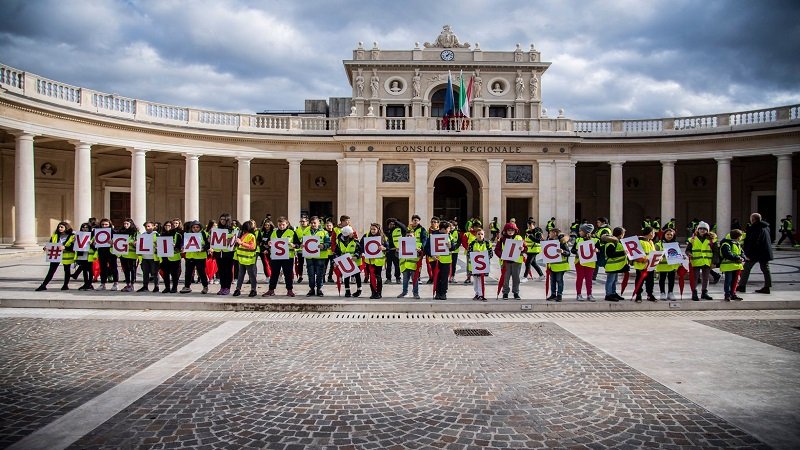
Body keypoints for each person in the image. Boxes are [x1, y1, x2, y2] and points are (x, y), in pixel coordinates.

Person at [737, 213, 773, 294]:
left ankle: (742, 286)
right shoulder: (766, 227)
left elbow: (752, 242)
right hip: (765, 252)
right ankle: (767, 287)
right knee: (766, 269)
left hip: (755, 253)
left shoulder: (755, 228)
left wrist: (747, 253)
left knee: (746, 268)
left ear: (753, 219)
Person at [264, 216, 299, 297]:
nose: (281, 226)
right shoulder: (273, 232)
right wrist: (269, 244)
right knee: (274, 273)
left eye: (283, 224)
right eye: (280, 225)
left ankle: (289, 290)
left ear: (287, 224)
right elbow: (268, 243)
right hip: (276, 256)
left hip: (288, 257)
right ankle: (271, 290)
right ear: (277, 224)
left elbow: (298, 244)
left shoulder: (292, 232)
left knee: (288, 274)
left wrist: (293, 245)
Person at [36, 221, 75, 291]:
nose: (60, 228)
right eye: (59, 227)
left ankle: (65, 285)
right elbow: (51, 243)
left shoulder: (72, 236)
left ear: (66, 228)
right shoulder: (55, 235)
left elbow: (73, 247)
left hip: (66, 255)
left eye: (61, 227)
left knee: (67, 270)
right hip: (55, 254)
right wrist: (46, 247)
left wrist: (65, 247)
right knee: (51, 270)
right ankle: (43, 285)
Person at [685, 221, 716, 300]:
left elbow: (715, 252)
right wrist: (689, 253)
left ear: (707, 230)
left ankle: (704, 293)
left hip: (706, 261)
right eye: (700, 229)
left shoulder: (711, 240)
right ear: (697, 230)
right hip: (696, 261)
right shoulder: (692, 239)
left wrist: (714, 262)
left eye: (704, 229)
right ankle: (694, 293)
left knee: (706, 278)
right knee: (695, 278)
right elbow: (688, 250)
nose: (702, 230)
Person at [496, 222, 524, 300]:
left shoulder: (519, 238)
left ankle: (516, 293)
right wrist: (502, 256)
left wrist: (522, 249)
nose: (510, 232)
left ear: (515, 231)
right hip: (506, 262)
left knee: (516, 279)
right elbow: (497, 250)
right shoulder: (502, 239)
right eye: (509, 230)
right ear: (505, 231)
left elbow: (525, 247)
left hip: (516, 262)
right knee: (505, 278)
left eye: (512, 230)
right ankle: (505, 293)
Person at [181, 220, 210, 294]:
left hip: (200, 256)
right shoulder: (187, 234)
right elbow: (183, 244)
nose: (195, 229)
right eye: (193, 227)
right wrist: (183, 247)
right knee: (188, 272)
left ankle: (205, 286)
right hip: (190, 256)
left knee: (201, 272)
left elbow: (208, 244)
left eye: (197, 227)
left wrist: (203, 248)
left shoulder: (204, 234)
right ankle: (187, 286)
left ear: (200, 227)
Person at [429, 221, 455, 300]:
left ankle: (443, 293)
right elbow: (427, 247)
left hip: (446, 261)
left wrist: (451, 246)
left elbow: (454, 246)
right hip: (435, 260)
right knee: (437, 277)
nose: (449, 230)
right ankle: (437, 293)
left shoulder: (449, 236)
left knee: (444, 278)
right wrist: (431, 255)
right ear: (443, 229)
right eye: (448, 228)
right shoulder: (433, 235)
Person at [305, 216, 330, 297]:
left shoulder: (324, 232)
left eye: (314, 223)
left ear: (318, 223)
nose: (313, 224)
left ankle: (319, 289)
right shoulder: (306, 231)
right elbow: (302, 241)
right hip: (309, 256)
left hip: (320, 257)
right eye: (311, 223)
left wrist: (323, 245)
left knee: (320, 274)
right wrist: (302, 245)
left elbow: (328, 243)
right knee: (311, 274)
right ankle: (311, 289)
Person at [232, 220, 258, 297]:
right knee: (240, 275)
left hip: (249, 259)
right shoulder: (241, 235)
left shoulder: (251, 236)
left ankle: (253, 289)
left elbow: (252, 247)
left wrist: (241, 243)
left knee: (251, 275)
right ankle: (238, 289)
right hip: (241, 258)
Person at [572, 223, 597, 301]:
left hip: (590, 263)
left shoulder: (595, 240)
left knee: (589, 279)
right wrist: (576, 251)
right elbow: (572, 250)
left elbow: (601, 251)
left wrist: (597, 250)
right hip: (579, 262)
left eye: (581, 231)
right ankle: (578, 294)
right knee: (579, 279)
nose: (579, 232)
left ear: (586, 232)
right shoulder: (578, 239)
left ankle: (589, 294)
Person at [335, 225, 362, 298]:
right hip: (345, 261)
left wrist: (356, 256)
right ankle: (347, 291)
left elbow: (359, 250)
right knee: (346, 277)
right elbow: (336, 252)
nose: (353, 234)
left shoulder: (355, 241)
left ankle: (359, 290)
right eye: (351, 233)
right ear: (348, 234)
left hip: (355, 262)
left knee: (357, 276)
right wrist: (336, 261)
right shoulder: (339, 242)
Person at [362, 223, 387, 299]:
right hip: (369, 261)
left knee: (378, 277)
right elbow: (361, 245)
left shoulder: (383, 237)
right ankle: (373, 293)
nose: (372, 231)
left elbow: (388, 247)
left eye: (374, 229)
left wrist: (384, 248)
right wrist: (364, 251)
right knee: (372, 277)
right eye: (371, 229)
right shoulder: (366, 236)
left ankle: (379, 293)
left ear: (378, 229)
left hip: (379, 261)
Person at [719, 229, 746, 301]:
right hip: (728, 266)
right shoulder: (726, 244)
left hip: (736, 266)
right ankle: (727, 295)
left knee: (735, 281)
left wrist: (743, 258)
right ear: (738, 237)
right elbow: (727, 254)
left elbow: (742, 253)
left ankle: (733, 294)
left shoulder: (737, 243)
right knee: (728, 281)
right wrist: (738, 258)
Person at [603, 227, 628, 302]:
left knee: (614, 281)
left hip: (616, 266)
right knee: (610, 281)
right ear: (621, 234)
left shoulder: (617, 242)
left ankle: (613, 293)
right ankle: (608, 294)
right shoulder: (611, 243)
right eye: (623, 234)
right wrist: (622, 253)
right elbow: (610, 254)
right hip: (611, 266)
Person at [633, 227, 657, 302]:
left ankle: (650, 294)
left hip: (650, 266)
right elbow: (636, 254)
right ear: (650, 233)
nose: (654, 234)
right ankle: (638, 295)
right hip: (641, 266)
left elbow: (653, 252)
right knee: (639, 281)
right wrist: (644, 259)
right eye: (653, 232)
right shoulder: (640, 242)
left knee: (650, 281)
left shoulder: (651, 242)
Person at [213, 214, 235, 295]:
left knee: (228, 270)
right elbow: (212, 239)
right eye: (221, 219)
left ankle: (227, 287)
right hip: (218, 253)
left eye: (224, 219)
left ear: (227, 220)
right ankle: (222, 287)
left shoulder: (232, 230)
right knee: (221, 271)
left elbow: (235, 240)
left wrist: (230, 240)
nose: (222, 221)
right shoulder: (216, 229)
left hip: (228, 253)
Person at [655, 228, 680, 300]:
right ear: (664, 235)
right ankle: (662, 293)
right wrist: (662, 255)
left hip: (672, 266)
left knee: (671, 280)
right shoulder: (658, 244)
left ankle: (670, 293)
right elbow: (656, 254)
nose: (669, 236)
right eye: (668, 234)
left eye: (671, 235)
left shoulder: (676, 244)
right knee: (662, 279)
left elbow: (678, 254)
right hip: (662, 266)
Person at [467, 227, 491, 302]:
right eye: (478, 234)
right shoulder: (472, 243)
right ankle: (477, 293)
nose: (480, 235)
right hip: (474, 265)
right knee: (475, 280)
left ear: (484, 235)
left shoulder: (487, 243)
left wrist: (484, 255)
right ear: (476, 235)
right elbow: (468, 253)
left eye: (482, 234)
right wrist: (474, 253)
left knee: (481, 280)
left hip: (483, 265)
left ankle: (481, 294)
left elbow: (491, 254)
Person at [397, 228, 422, 299]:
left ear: (414, 236)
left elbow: (421, 254)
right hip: (404, 265)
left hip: (414, 265)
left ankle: (415, 293)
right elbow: (397, 255)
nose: (409, 237)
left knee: (415, 280)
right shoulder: (401, 244)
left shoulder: (418, 244)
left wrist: (419, 251)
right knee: (405, 280)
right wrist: (397, 251)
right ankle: (404, 292)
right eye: (407, 235)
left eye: (411, 235)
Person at [159, 221, 183, 293]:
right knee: (165, 273)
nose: (167, 227)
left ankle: (174, 287)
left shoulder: (177, 235)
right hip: (165, 257)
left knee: (174, 274)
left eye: (169, 225)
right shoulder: (162, 235)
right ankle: (167, 287)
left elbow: (180, 246)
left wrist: (175, 246)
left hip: (174, 257)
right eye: (166, 225)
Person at [137, 221, 160, 293]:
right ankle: (145, 286)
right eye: (146, 226)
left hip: (153, 257)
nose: (147, 228)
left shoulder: (156, 235)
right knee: (145, 273)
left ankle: (156, 286)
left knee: (155, 273)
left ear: (153, 227)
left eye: (149, 226)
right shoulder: (143, 235)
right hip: (145, 257)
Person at [117, 218, 139, 293]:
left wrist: (133, 242)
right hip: (123, 254)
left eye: (127, 224)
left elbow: (138, 241)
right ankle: (127, 283)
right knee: (125, 270)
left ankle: (132, 284)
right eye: (124, 224)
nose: (125, 225)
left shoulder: (135, 232)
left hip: (132, 254)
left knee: (132, 269)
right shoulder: (121, 232)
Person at [74, 222, 97, 291]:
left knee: (90, 270)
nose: (84, 228)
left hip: (90, 255)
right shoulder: (79, 235)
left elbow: (96, 247)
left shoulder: (93, 236)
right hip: (82, 254)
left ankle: (89, 284)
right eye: (83, 227)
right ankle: (86, 283)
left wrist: (92, 244)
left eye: (86, 227)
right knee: (84, 270)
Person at [384, 218, 406, 285]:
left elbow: (404, 228)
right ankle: (388, 279)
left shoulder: (398, 230)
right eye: (390, 224)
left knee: (397, 265)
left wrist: (396, 222)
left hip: (396, 251)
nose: (392, 225)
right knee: (388, 266)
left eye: (393, 224)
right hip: (388, 251)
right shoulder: (386, 232)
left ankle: (398, 278)